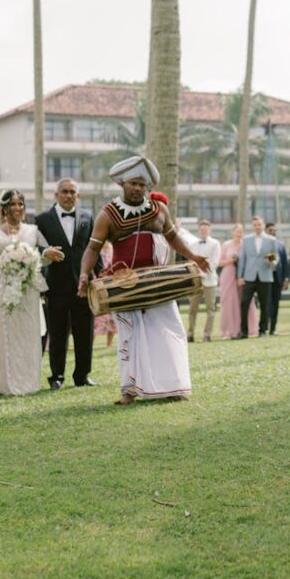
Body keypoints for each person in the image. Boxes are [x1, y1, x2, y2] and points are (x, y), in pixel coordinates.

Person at [78, 156, 210, 405]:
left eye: (142, 184)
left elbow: (173, 237)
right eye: (133, 183)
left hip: (158, 283)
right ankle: (129, 391)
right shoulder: (108, 214)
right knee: (131, 337)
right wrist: (85, 274)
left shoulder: (160, 211)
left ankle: (173, 386)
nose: (138, 188)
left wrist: (194, 257)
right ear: (122, 184)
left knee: (169, 332)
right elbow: (92, 248)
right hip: (124, 284)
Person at [36, 178, 99, 389]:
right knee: (58, 334)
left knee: (85, 333)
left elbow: (94, 248)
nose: (69, 195)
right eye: (64, 191)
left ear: (78, 196)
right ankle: (57, 376)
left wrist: (100, 275)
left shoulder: (88, 217)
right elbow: (35, 249)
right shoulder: (42, 219)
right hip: (56, 286)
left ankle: (82, 376)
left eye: (73, 192)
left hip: (83, 286)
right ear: (56, 195)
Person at [0, 189, 47, 396]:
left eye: (21, 204)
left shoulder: (33, 230)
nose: (18, 208)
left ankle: (30, 381)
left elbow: (44, 254)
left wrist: (37, 257)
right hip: (4, 287)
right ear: (3, 208)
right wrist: (9, 259)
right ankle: (9, 384)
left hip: (28, 287)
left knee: (28, 333)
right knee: (7, 335)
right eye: (13, 204)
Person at [234, 216, 279, 339]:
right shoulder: (246, 240)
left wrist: (271, 262)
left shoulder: (271, 240)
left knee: (265, 305)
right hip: (249, 276)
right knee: (244, 303)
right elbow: (242, 259)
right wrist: (239, 276)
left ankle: (263, 330)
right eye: (255, 225)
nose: (257, 227)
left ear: (263, 225)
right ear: (252, 226)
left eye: (259, 224)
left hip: (265, 275)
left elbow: (276, 257)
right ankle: (244, 331)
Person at [218, 224, 259, 339]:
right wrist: (232, 260)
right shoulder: (226, 245)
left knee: (246, 301)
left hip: (243, 276)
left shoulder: (246, 244)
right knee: (229, 302)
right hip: (228, 274)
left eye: (241, 231)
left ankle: (248, 328)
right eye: (237, 231)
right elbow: (220, 262)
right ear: (233, 232)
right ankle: (230, 330)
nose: (239, 233)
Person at [186, 219, 222, 342]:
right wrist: (196, 275)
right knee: (192, 309)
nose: (203, 231)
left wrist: (203, 273)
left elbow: (215, 262)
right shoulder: (193, 244)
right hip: (196, 282)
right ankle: (190, 334)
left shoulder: (215, 243)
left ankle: (207, 335)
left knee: (210, 309)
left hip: (210, 280)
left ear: (209, 229)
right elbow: (190, 261)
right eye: (201, 229)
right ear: (198, 230)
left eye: (206, 229)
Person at [264, 222, 289, 336]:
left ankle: (273, 328)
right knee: (266, 303)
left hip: (277, 278)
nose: (273, 232)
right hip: (265, 278)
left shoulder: (280, 245)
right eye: (270, 230)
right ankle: (264, 326)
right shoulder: (263, 245)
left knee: (275, 303)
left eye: (274, 230)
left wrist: (285, 279)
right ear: (266, 231)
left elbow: (284, 263)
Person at [93, 241, 117, 347]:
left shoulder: (112, 248)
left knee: (111, 316)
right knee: (97, 314)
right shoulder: (96, 248)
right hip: (97, 283)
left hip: (110, 283)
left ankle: (109, 343)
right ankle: (90, 343)